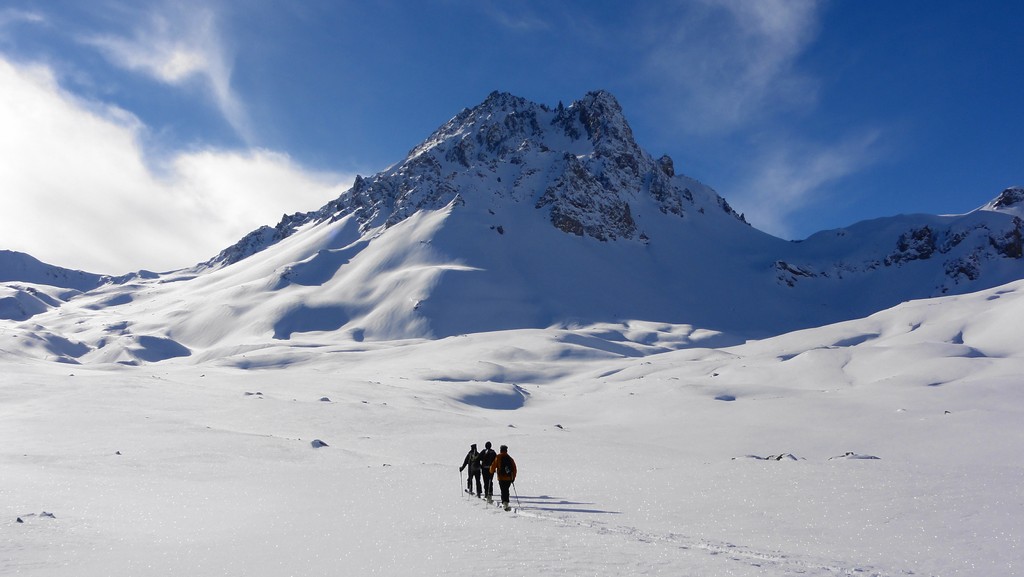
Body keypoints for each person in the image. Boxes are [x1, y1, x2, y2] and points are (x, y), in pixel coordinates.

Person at [489, 444, 517, 511]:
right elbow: (514, 469)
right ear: (506, 450)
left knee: (503, 490)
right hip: (509, 478)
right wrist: (513, 478)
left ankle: (504, 503)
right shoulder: (509, 458)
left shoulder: (498, 457)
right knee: (506, 490)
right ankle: (506, 502)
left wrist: (491, 471)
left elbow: (493, 466)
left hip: (501, 477)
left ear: (500, 450)